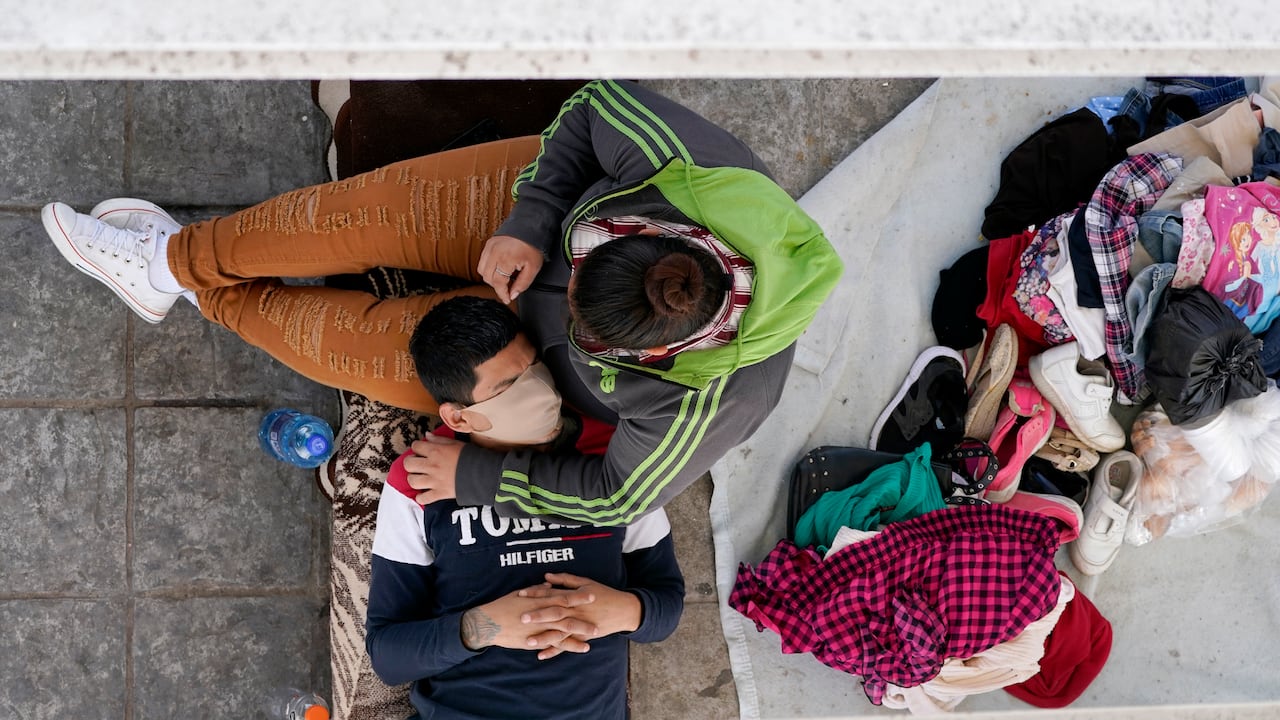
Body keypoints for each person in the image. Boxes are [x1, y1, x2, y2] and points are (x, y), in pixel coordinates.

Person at [41, 79, 843, 526]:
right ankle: (173, 259)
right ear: (640, 228)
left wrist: (484, 478)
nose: (561, 307)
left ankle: (187, 292)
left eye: (589, 337)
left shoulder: (717, 400)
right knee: (361, 217)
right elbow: (594, 108)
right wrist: (533, 225)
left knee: (357, 346)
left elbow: (621, 498)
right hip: (531, 216)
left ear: (658, 360)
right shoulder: (693, 169)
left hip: (519, 374)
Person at [365, 296, 683, 720]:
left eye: (533, 366)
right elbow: (388, 657)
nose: (538, 389)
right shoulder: (421, 479)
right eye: (506, 388)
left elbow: (666, 603)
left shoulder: (613, 457)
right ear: (460, 418)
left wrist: (626, 611)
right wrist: (483, 627)